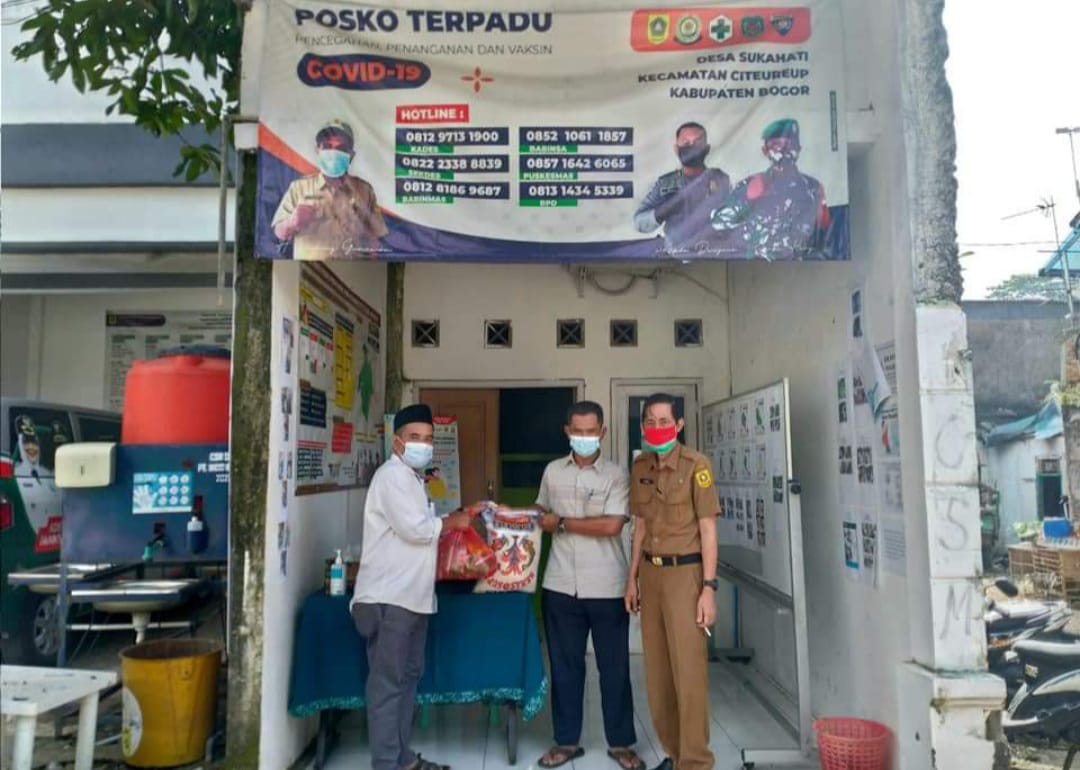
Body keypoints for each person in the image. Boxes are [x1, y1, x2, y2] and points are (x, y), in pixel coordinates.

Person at [351, 404, 472, 770]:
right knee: (388, 685)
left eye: (429, 439)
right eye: (415, 437)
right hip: (389, 600)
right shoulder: (391, 476)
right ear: (397, 442)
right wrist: (452, 522)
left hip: (412, 599)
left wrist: (453, 520)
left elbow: (419, 528)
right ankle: (386, 763)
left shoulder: (412, 479)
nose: (423, 445)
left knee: (407, 680)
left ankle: (402, 759)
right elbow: (416, 530)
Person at [532, 401, 644, 770]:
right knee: (564, 668)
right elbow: (540, 513)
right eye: (577, 431)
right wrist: (512, 518)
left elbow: (612, 525)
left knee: (614, 669)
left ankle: (621, 743)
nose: (584, 437)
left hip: (607, 585)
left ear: (603, 432)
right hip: (560, 583)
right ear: (567, 432)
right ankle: (566, 742)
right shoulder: (552, 471)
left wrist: (562, 522)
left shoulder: (617, 475)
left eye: (590, 431)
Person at [625, 394, 720, 770]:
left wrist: (708, 588)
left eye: (664, 421)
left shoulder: (697, 465)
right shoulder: (641, 466)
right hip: (651, 573)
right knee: (658, 672)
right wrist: (631, 578)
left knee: (688, 671)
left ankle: (696, 761)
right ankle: (675, 752)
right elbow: (640, 527)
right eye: (650, 421)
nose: (656, 427)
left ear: (679, 424)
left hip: (686, 575)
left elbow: (708, 529)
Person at [710, 118, 830, 261]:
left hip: (798, 265)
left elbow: (825, 230)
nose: (784, 150)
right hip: (758, 265)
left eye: (790, 144)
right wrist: (748, 199)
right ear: (765, 151)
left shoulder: (813, 187)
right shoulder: (750, 184)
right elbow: (718, 223)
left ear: (799, 148)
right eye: (776, 145)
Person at [272, 119, 389, 260]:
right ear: (318, 150)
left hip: (353, 270)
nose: (333, 153)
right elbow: (279, 233)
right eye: (327, 146)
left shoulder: (364, 190)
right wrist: (292, 222)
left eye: (341, 148)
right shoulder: (298, 188)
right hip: (311, 270)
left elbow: (374, 237)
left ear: (351, 155)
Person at [634, 122, 731, 255]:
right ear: (676, 149)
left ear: (707, 149)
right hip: (675, 255)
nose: (692, 147)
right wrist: (664, 210)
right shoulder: (666, 183)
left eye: (697, 143)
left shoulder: (720, 179)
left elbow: (735, 218)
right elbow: (640, 222)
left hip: (713, 253)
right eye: (686, 143)